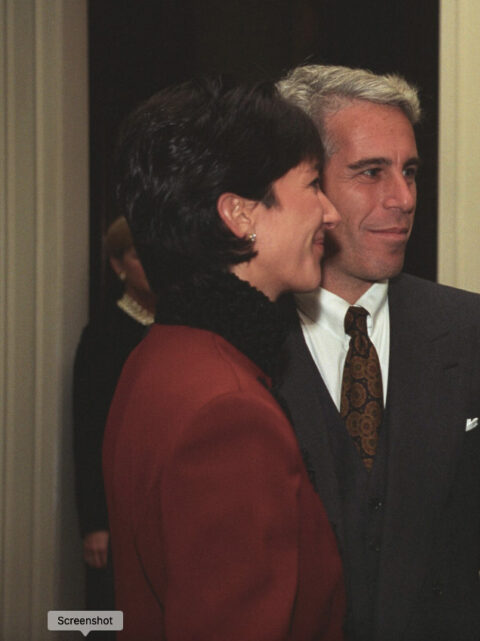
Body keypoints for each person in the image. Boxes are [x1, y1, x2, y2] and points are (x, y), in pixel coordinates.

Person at [275, 65, 480, 641]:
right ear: (307, 184)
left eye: (409, 172)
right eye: (370, 172)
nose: (403, 199)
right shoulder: (243, 346)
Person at [102, 78, 345, 640]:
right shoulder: (228, 412)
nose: (330, 213)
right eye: (313, 184)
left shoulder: (160, 356)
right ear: (240, 214)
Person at [72, 216, 155, 632]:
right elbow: (87, 431)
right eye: (139, 256)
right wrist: (94, 525)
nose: (151, 265)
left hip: (163, 502)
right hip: (116, 507)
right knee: (109, 619)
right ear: (118, 265)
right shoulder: (102, 335)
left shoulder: (181, 326)